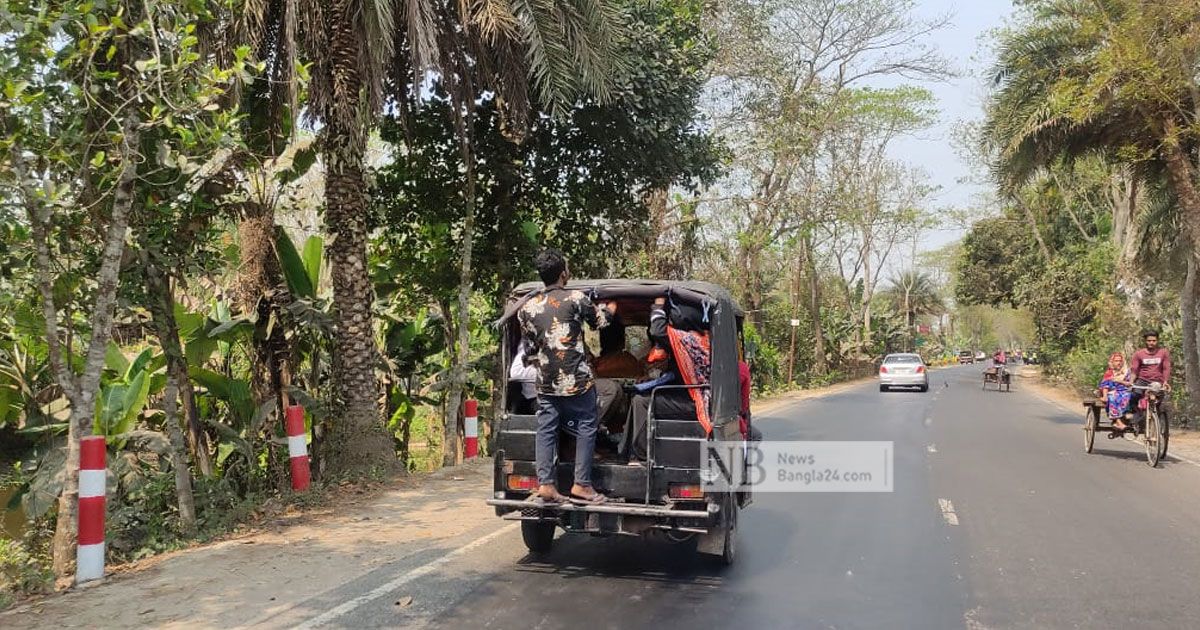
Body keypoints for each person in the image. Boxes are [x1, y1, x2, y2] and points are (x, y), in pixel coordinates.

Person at [517, 249, 615, 505]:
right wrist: (611, 309)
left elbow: (530, 346)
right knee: (586, 426)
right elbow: (600, 322)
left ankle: (546, 485)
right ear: (564, 274)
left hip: (546, 382)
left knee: (546, 430)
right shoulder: (576, 298)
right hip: (577, 381)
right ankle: (581, 484)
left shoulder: (526, 308)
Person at [1128, 329, 1172, 426]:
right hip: (1142, 381)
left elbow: (1166, 368)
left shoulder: (1163, 353)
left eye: (1154, 340)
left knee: (1158, 401)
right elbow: (1134, 370)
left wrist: (1165, 381)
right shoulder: (1138, 354)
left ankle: (1156, 421)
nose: (1151, 343)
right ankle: (1137, 414)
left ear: (1157, 341)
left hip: (1157, 381)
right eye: (1149, 341)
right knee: (1134, 395)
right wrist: (1131, 382)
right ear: (1145, 341)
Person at [1098, 352, 1133, 430]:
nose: (1118, 363)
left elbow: (1130, 383)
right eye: (1116, 361)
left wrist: (1120, 381)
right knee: (1112, 398)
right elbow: (1105, 385)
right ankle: (1118, 421)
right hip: (1113, 391)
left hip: (1125, 391)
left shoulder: (1127, 372)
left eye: (1120, 361)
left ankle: (1124, 419)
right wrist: (1105, 395)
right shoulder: (1109, 372)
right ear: (1112, 362)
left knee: (1129, 397)